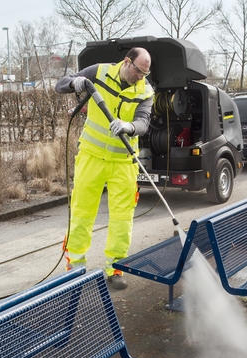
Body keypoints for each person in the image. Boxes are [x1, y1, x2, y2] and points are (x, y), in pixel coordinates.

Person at [55, 47, 154, 290]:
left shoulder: (146, 90)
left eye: (145, 73)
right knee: (81, 212)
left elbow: (143, 122)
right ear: (127, 61)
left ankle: (116, 268)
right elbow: (60, 84)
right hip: (91, 157)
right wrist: (75, 82)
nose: (141, 77)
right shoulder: (98, 72)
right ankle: (75, 266)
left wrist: (128, 126)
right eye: (139, 72)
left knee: (122, 219)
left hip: (123, 163)